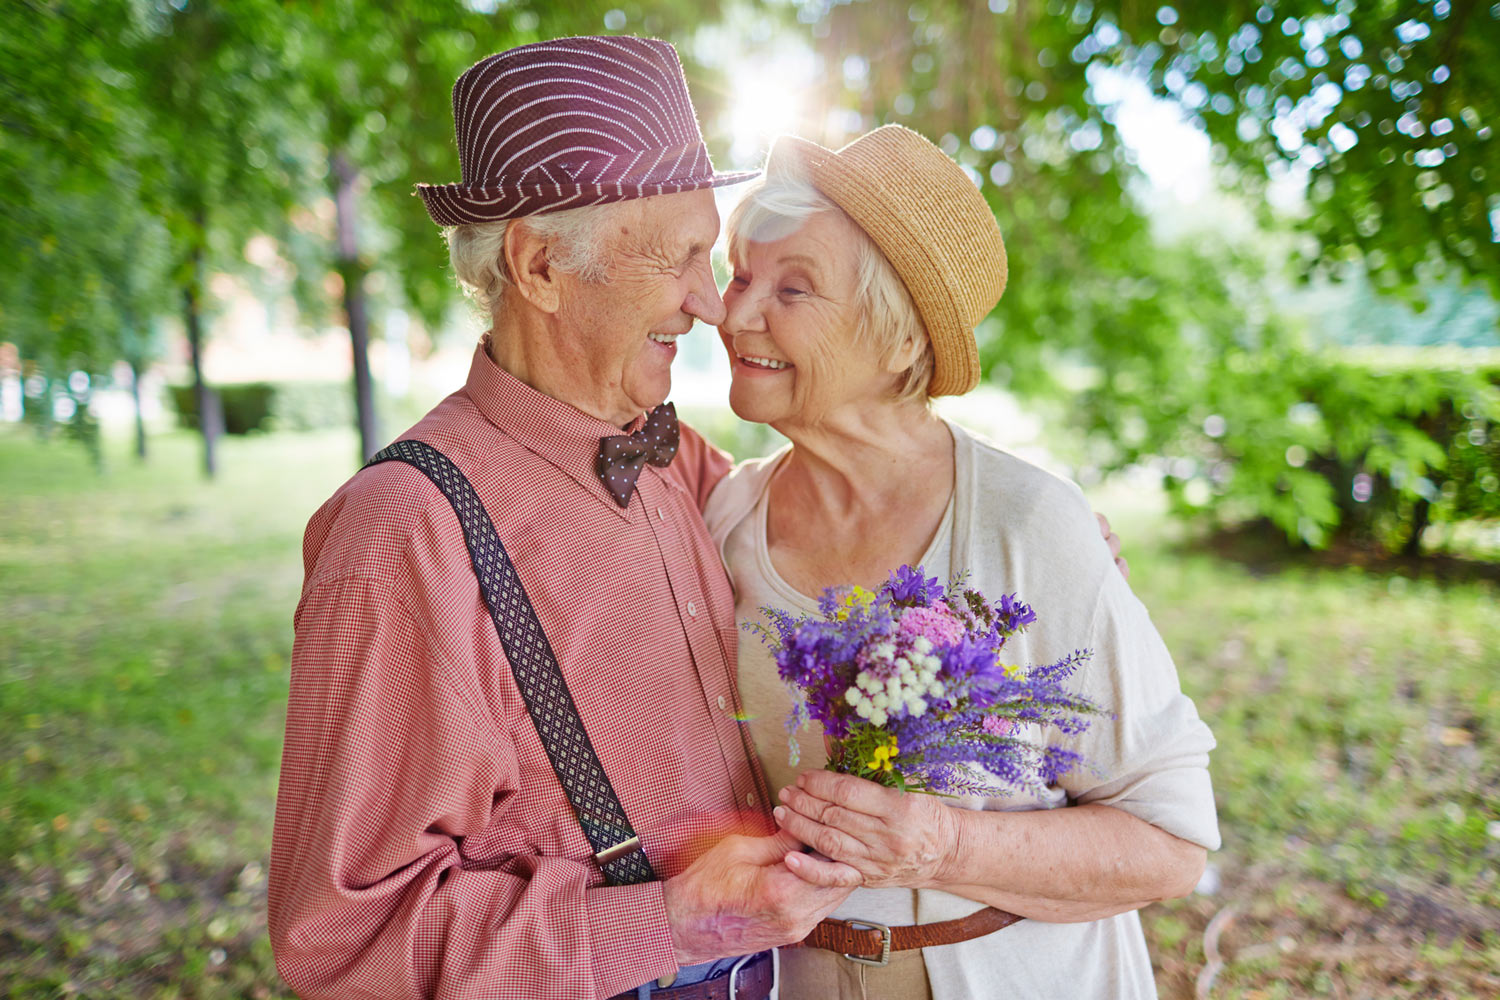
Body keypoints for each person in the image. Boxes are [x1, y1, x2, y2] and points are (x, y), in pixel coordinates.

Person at [267, 37, 865, 1000]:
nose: (712, 304)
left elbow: (825, 513)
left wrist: (994, 528)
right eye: (677, 257)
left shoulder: (672, 453)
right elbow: (342, 942)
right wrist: (665, 923)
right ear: (540, 266)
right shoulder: (402, 533)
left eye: (707, 252)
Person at [701, 125, 1220, 999]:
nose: (734, 312)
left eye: (794, 288)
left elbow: (1170, 843)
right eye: (742, 274)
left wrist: (945, 844)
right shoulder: (725, 518)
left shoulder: (1027, 524)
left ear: (899, 340)